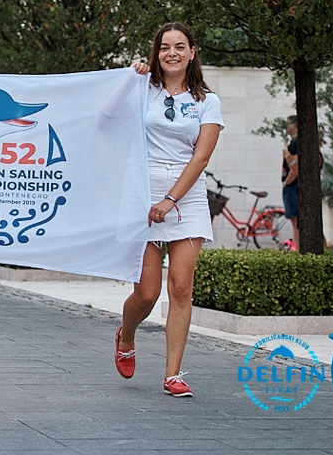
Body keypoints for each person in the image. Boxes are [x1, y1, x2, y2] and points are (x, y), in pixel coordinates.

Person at [116, 22, 223, 398]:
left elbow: (202, 155)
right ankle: (126, 335)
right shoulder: (142, 89)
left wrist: (172, 200)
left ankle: (173, 374)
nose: (172, 53)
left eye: (180, 46)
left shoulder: (207, 101)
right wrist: (128, 79)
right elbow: (104, 116)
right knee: (146, 293)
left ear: (193, 51)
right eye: (164, 47)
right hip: (141, 194)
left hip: (186, 197)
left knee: (180, 287)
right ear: (156, 53)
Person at [282, 115, 300, 247]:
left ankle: (299, 248)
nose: (286, 127)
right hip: (293, 185)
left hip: (293, 186)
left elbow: (295, 167)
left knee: (296, 221)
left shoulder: (295, 145)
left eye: (289, 124)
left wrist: (287, 182)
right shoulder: (294, 143)